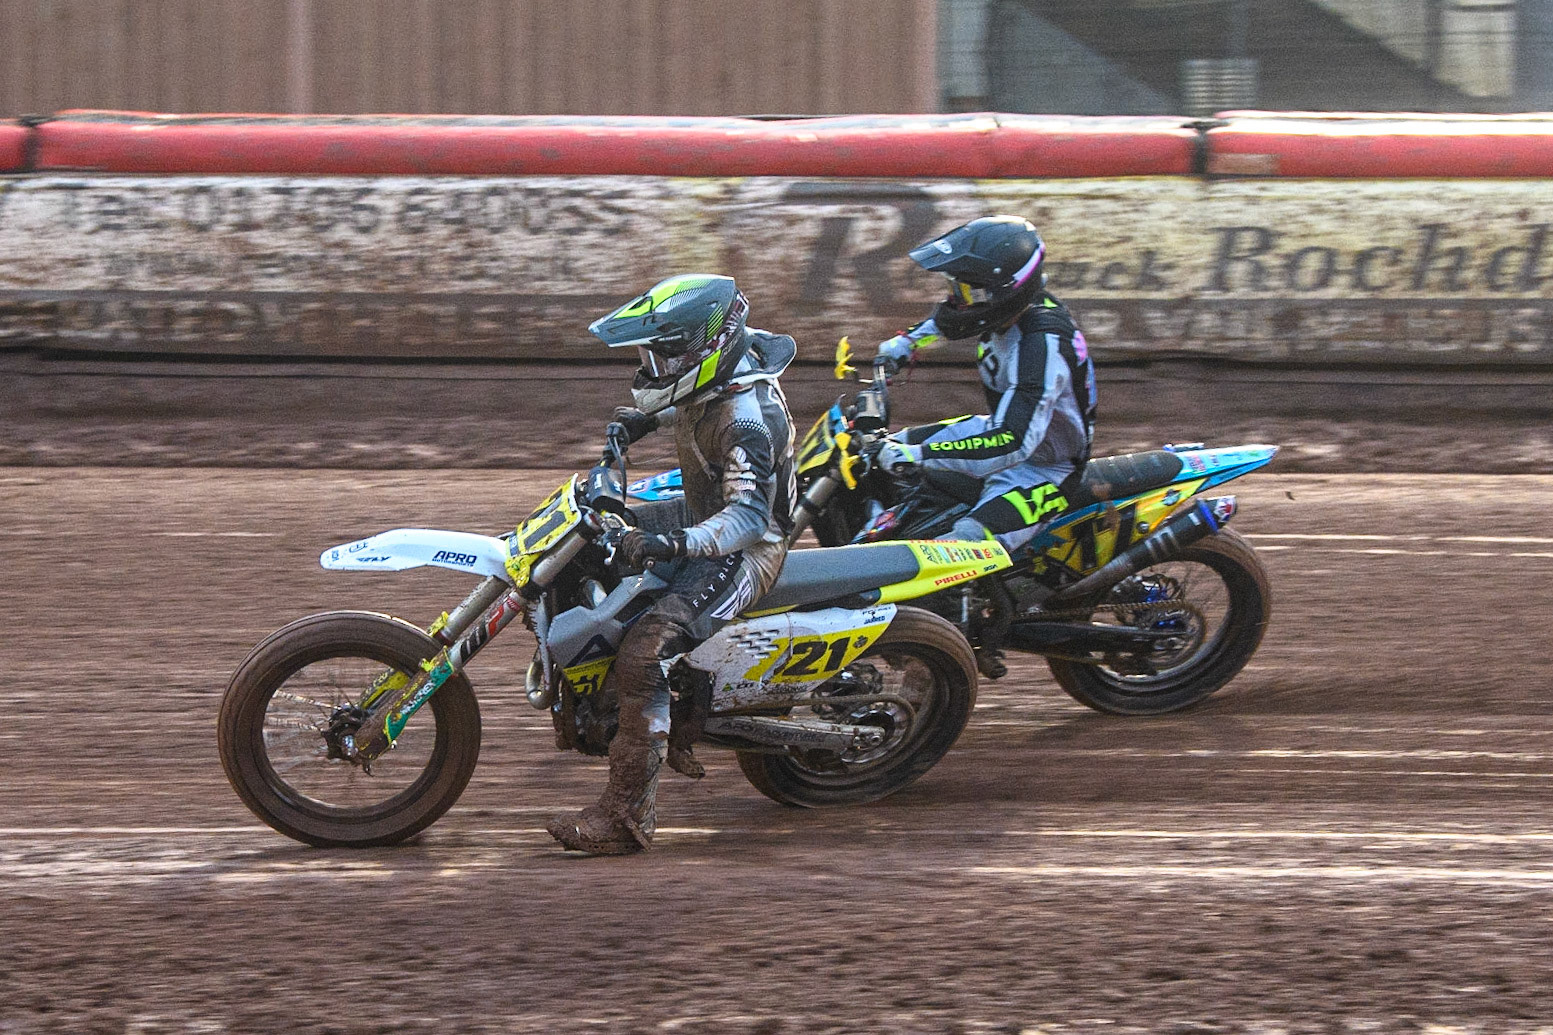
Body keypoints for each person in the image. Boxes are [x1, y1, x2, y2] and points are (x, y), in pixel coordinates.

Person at [547, 274, 796, 856]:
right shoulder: (724, 376)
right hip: (706, 510)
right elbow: (696, 406)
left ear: (704, 349)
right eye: (648, 357)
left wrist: (673, 544)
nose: (652, 369)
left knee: (644, 652)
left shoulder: (747, 419)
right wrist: (647, 422)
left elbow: (748, 521)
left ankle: (626, 818)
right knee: (585, 542)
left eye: (662, 357)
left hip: (745, 548)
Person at [873, 215, 1097, 553]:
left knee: (957, 549)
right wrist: (908, 342)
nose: (958, 299)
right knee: (881, 451)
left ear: (1003, 292)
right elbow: (956, 317)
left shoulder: (1041, 345)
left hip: (1044, 468)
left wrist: (919, 455)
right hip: (998, 429)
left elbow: (1012, 442)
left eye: (967, 290)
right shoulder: (1012, 309)